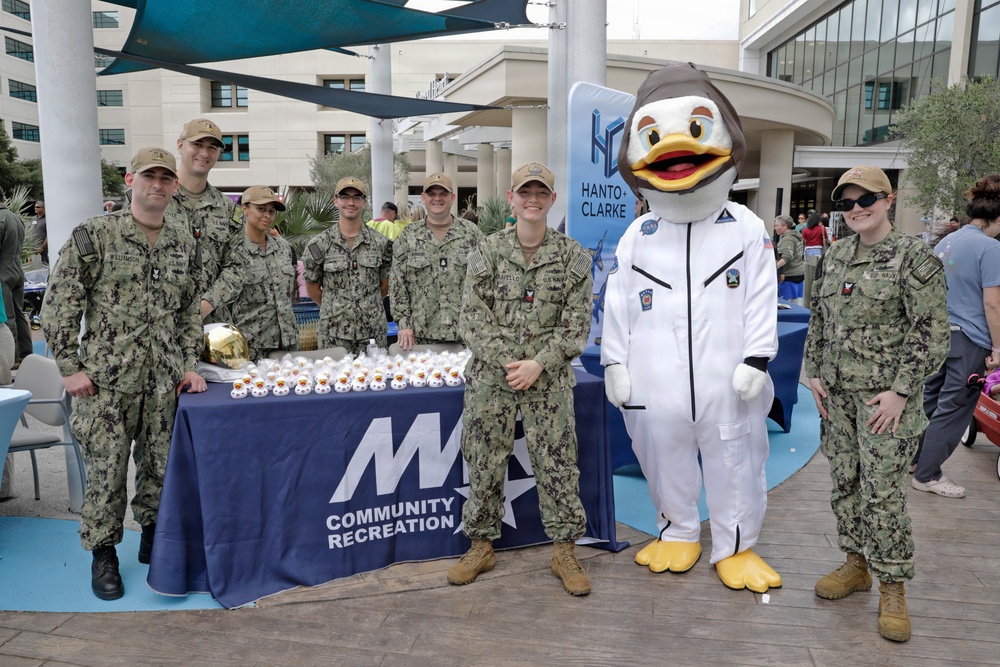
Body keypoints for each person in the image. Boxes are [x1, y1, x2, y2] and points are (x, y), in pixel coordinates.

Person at [40, 147, 207, 601]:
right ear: (130, 180)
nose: (158, 184)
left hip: (164, 381)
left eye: (166, 178)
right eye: (149, 176)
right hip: (106, 383)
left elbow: (188, 312)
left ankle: (155, 539)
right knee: (106, 471)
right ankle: (104, 554)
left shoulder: (183, 243)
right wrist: (69, 368)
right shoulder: (95, 235)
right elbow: (60, 303)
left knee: (162, 468)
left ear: (175, 186)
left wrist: (189, 365)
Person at [804, 165, 949, 642]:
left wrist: (901, 391)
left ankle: (893, 585)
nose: (856, 209)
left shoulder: (913, 258)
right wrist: (814, 371)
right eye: (846, 203)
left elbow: (931, 332)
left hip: (885, 404)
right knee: (845, 483)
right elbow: (819, 319)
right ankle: (856, 564)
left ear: (889, 200)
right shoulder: (836, 254)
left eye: (867, 199)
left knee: (883, 494)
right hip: (838, 400)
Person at [448, 162, 594, 596]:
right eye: (525, 192)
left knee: (558, 464)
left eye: (541, 193)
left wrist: (539, 363)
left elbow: (576, 325)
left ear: (552, 200)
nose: (533, 200)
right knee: (484, 459)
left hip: (548, 381)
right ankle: (480, 546)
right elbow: (472, 317)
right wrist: (513, 362)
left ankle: (564, 550)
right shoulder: (488, 251)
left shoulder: (572, 257)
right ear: (511, 199)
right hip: (493, 379)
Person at [911, 174, 1000, 498]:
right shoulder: (991, 248)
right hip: (970, 339)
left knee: (930, 402)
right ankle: (927, 474)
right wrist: (999, 348)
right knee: (955, 408)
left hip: (939, 334)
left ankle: (914, 460)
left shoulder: (946, 241)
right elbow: (993, 303)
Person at [203, 186, 300, 362]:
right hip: (250, 346)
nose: (267, 215)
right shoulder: (232, 250)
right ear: (244, 209)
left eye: (271, 211)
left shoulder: (284, 248)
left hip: (287, 343)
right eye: (261, 209)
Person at [389, 173, 484, 351]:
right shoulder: (409, 235)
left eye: (443, 194)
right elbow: (397, 283)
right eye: (432, 194)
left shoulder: (471, 234)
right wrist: (404, 323)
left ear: (452, 198)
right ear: (423, 198)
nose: (437, 198)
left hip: (466, 333)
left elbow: (484, 280)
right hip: (420, 336)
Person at [303, 177, 392, 354]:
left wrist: (366, 306)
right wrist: (335, 308)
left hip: (372, 333)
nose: (351, 202)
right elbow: (312, 287)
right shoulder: (318, 245)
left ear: (364, 202)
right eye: (345, 197)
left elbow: (385, 285)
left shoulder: (381, 243)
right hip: (333, 335)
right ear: (335, 201)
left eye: (357, 197)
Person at [169, 118, 244, 325]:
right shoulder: (155, 199)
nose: (204, 153)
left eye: (212, 147)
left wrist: (205, 305)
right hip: (161, 323)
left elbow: (237, 267)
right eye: (197, 144)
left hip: (212, 325)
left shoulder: (229, 210)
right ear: (180, 145)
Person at [0, 187, 31, 367]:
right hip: (17, 269)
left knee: (7, 316)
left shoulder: (1, 218)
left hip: (2, 272)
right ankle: (26, 353)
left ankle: (13, 357)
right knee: (19, 313)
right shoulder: (15, 218)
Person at [774, 214, 805, 303]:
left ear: (785, 226)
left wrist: (773, 268)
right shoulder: (796, 237)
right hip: (799, 273)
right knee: (795, 304)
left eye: (777, 226)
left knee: (786, 305)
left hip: (790, 276)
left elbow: (786, 257)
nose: (775, 228)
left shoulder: (787, 239)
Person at [802, 210, 828, 304]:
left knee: (809, 270)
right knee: (818, 269)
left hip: (808, 250)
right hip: (818, 249)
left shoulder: (805, 230)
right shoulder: (822, 228)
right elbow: (826, 239)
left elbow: (803, 240)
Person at [28, 200, 48, 265]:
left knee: (45, 266)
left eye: (38, 207)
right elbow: (30, 231)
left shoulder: (47, 219)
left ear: (43, 208)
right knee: (34, 267)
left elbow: (49, 235)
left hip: (44, 249)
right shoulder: (33, 219)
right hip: (33, 249)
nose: (35, 208)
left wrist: (42, 247)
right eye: (35, 207)